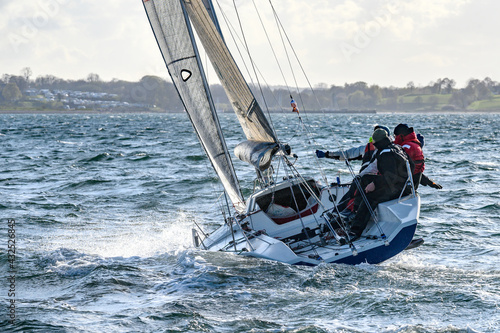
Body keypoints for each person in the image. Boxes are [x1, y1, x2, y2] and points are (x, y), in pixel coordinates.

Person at [348, 128, 412, 241]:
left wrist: (375, 184)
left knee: (370, 198)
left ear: (378, 143)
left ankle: (355, 231)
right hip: (401, 185)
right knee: (366, 178)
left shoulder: (386, 154)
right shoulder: (397, 148)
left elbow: (391, 176)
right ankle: (356, 210)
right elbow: (412, 166)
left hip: (397, 189)